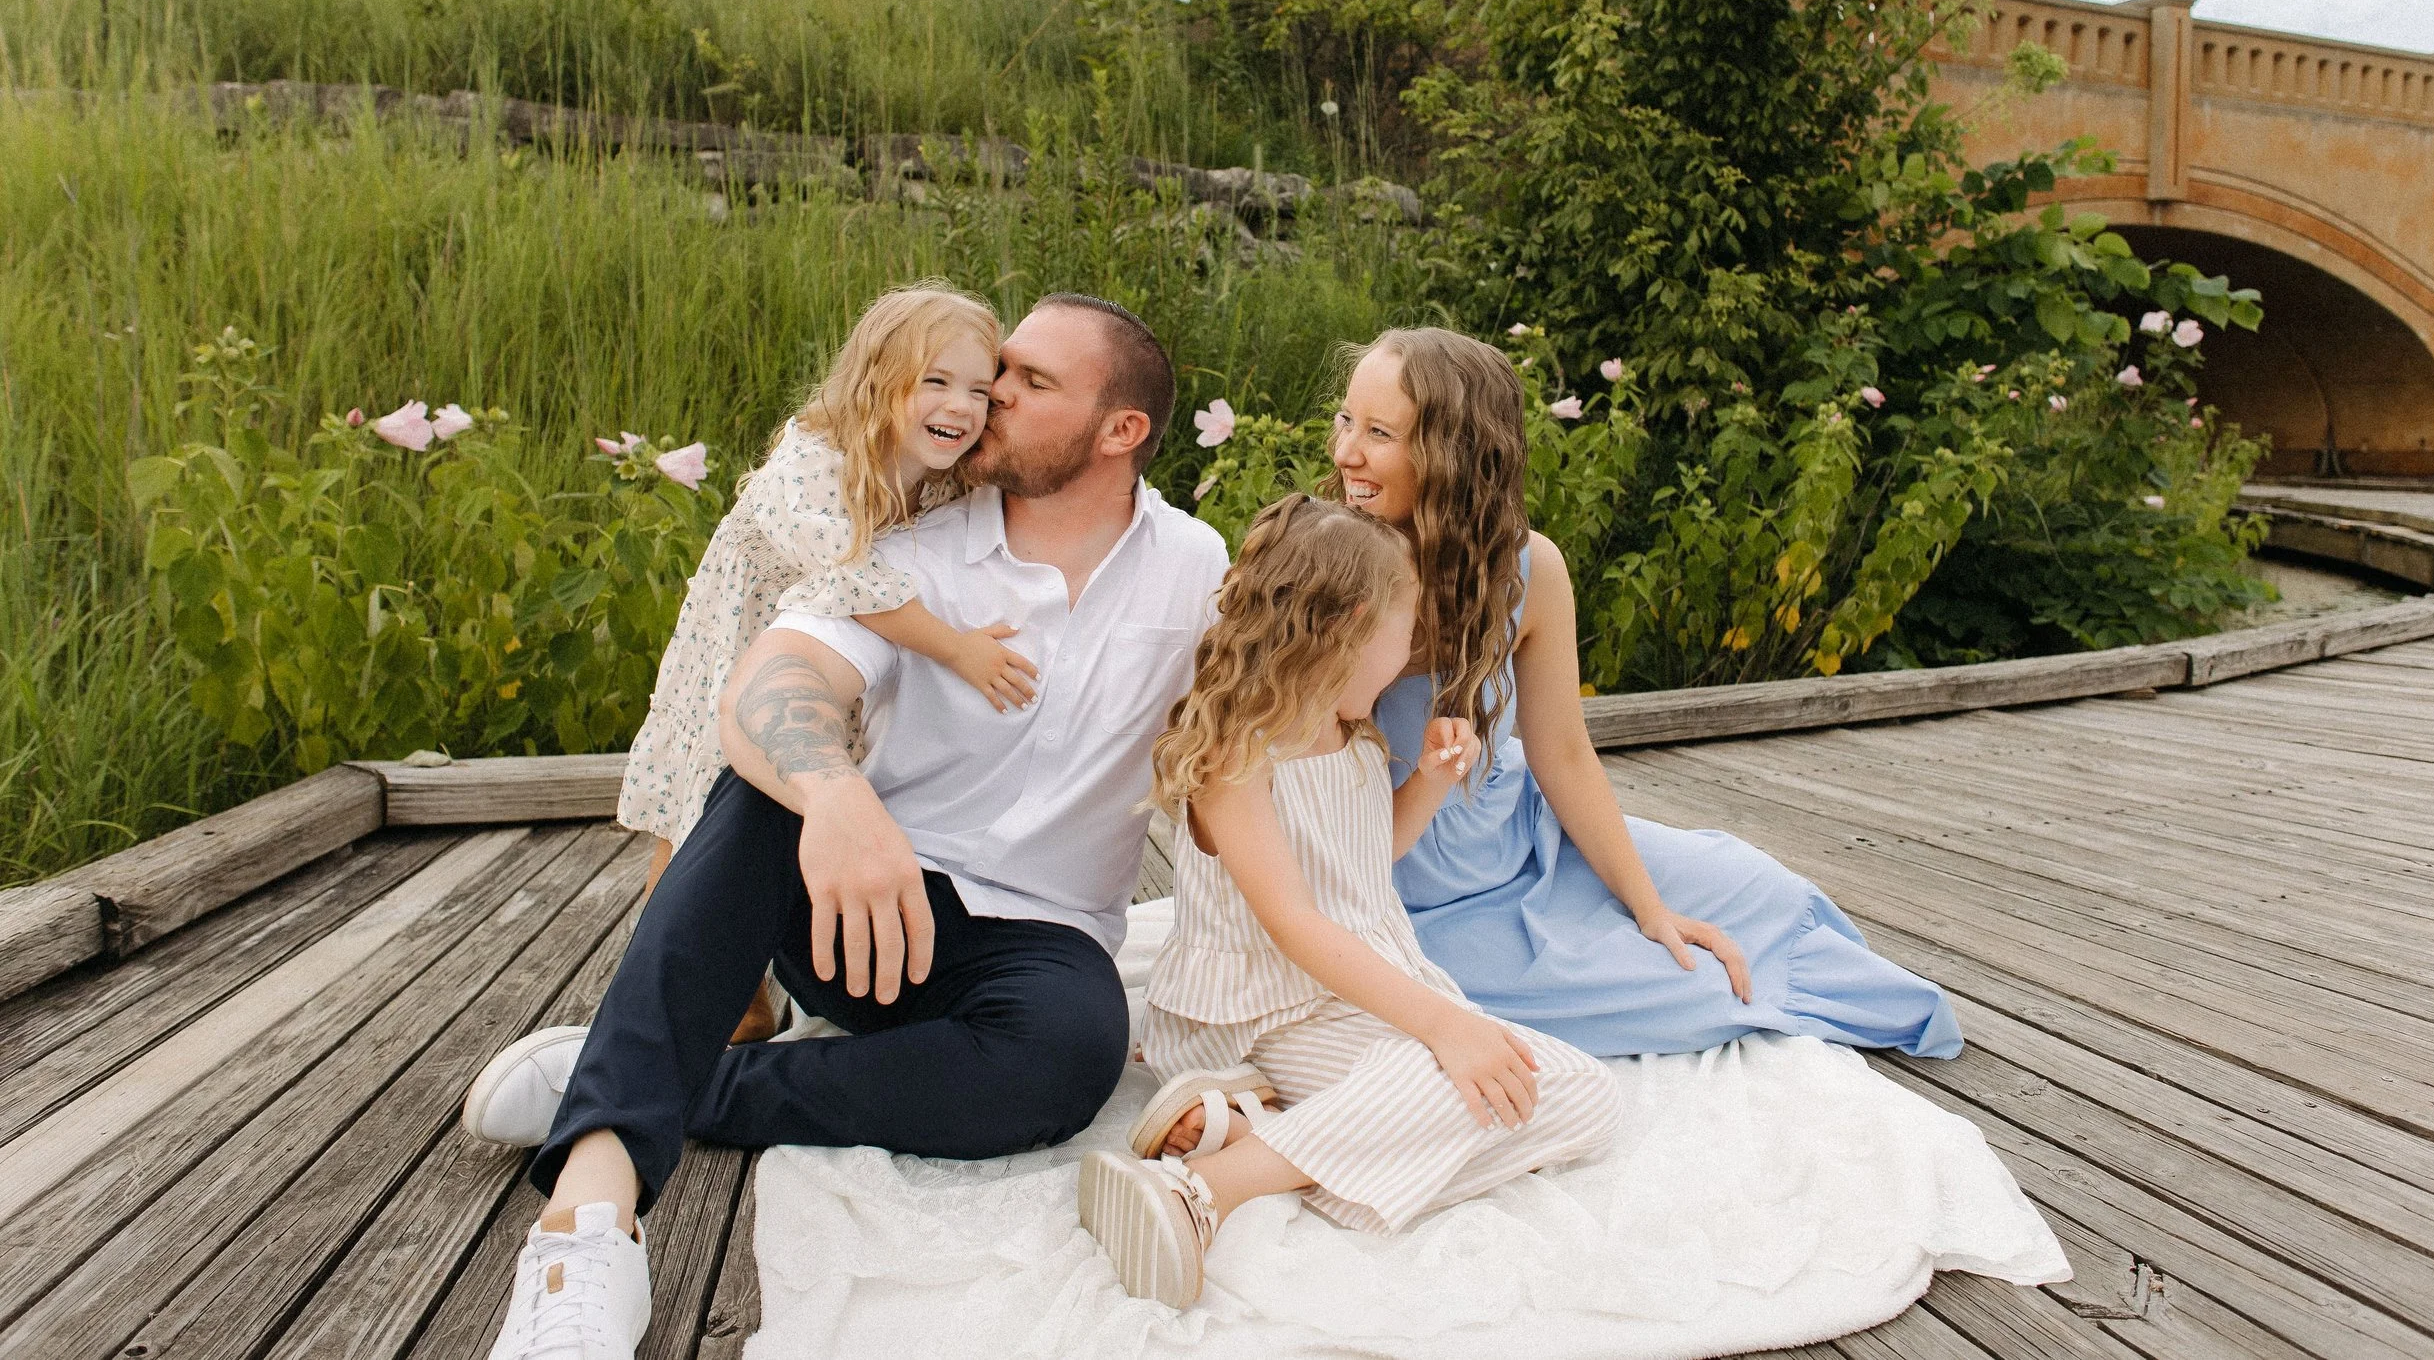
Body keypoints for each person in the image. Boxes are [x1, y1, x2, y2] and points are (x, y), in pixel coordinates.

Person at [460, 293, 1230, 1360]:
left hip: (1033, 940)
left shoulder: (1197, 566)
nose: (993, 391)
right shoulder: (914, 541)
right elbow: (775, 678)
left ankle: (658, 1069)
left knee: (1070, 1055)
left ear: (1121, 431)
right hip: (853, 904)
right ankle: (586, 1221)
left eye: (1032, 382)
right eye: (996, 368)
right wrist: (836, 794)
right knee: (766, 781)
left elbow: (1260, 727)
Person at [1332, 327, 1963, 1059]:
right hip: (1413, 894)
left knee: (1760, 889)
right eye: (1348, 421)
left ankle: (1745, 950)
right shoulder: (1329, 569)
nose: (1347, 451)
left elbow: (1564, 755)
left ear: (1455, 454)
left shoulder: (1530, 569)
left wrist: (1649, 905)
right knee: (1685, 984)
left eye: (1379, 432)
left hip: (1523, 837)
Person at [1079, 494, 1619, 1309]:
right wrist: (1444, 1023)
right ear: (1355, 624)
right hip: (1265, 1007)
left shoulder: (1354, 734)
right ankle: (1205, 1189)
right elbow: (1295, 922)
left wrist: (1431, 782)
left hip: (1354, 995)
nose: (1410, 658)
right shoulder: (1239, 750)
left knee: (1581, 1093)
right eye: (1406, 636)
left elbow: (1368, 860)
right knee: (1448, 1078)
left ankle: (1261, 1132)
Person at [609, 282, 1037, 1043]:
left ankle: (769, 963)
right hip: (742, 643)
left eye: (980, 389)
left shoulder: (940, 480)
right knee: (699, 794)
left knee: (803, 796)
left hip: (825, 667)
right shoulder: (815, 455)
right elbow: (852, 580)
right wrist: (958, 648)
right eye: (935, 381)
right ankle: (681, 985)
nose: (961, 405)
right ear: (879, 380)